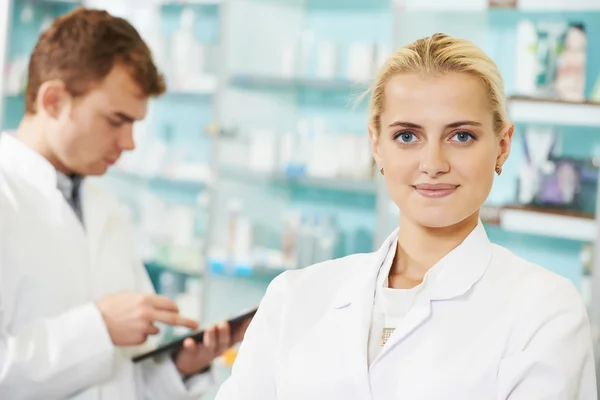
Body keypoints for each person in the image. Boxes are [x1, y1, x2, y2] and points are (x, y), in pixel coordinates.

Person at [215, 33, 597, 399]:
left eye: (461, 136)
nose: (432, 164)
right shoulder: (293, 297)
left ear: (502, 146)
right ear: (377, 146)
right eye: (407, 137)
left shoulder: (544, 311)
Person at [0, 8, 245, 399]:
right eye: (116, 120)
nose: (129, 143)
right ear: (53, 100)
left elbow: (120, 378)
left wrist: (180, 367)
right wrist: (97, 326)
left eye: (135, 124)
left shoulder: (105, 208)